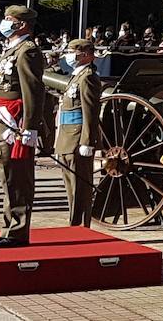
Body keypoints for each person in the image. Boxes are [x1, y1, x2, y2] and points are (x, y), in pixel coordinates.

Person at [0, 5, 46, 248]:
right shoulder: (12, 49)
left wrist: (30, 127)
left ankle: (18, 232)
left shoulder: (27, 51)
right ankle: (8, 227)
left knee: (18, 179)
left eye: (9, 19)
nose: (5, 23)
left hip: (15, 125)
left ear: (22, 24)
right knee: (7, 178)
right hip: (2, 122)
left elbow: (32, 91)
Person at [56, 39, 101, 227]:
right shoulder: (76, 76)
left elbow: (90, 111)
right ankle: (74, 222)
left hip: (77, 137)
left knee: (79, 187)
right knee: (70, 187)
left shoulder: (88, 77)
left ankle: (80, 225)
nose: (69, 56)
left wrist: (87, 141)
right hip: (67, 137)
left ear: (86, 55)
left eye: (73, 52)